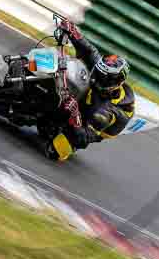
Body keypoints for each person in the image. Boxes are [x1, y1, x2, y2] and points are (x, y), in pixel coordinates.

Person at [45, 19, 135, 161]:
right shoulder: (102, 70)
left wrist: (75, 116)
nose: (96, 78)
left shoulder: (105, 113)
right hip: (91, 100)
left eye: (103, 78)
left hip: (91, 125)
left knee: (54, 150)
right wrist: (73, 33)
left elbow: (84, 137)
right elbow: (89, 51)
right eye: (98, 72)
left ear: (115, 83)